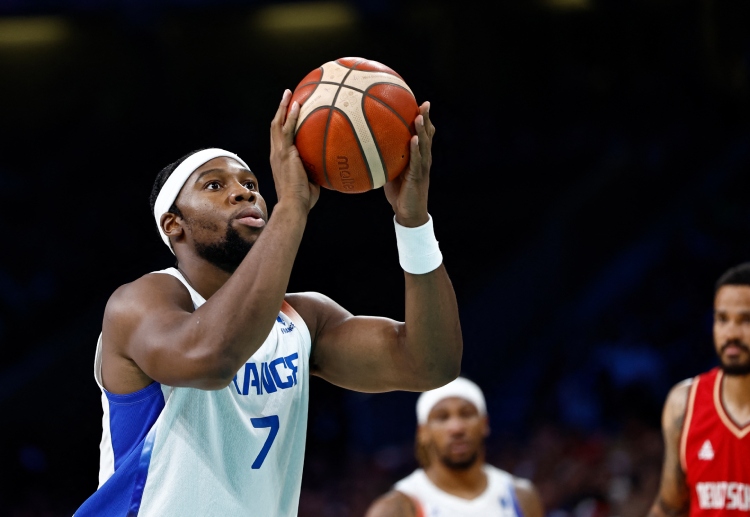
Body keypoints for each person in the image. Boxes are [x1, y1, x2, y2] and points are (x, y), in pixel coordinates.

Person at [74, 90, 462, 516]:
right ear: (173, 224)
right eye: (215, 185)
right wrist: (292, 206)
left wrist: (413, 222)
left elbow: (431, 364)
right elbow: (211, 357)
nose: (243, 193)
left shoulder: (303, 317)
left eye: (252, 185)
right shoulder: (141, 302)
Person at [648, 263, 750, 517]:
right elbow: (670, 505)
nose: (731, 333)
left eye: (746, 320)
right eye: (722, 319)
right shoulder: (684, 403)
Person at [365, 377, 544, 517]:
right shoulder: (397, 508)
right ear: (423, 432)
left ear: (485, 424)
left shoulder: (521, 496)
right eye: (442, 417)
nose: (457, 428)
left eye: (466, 414)